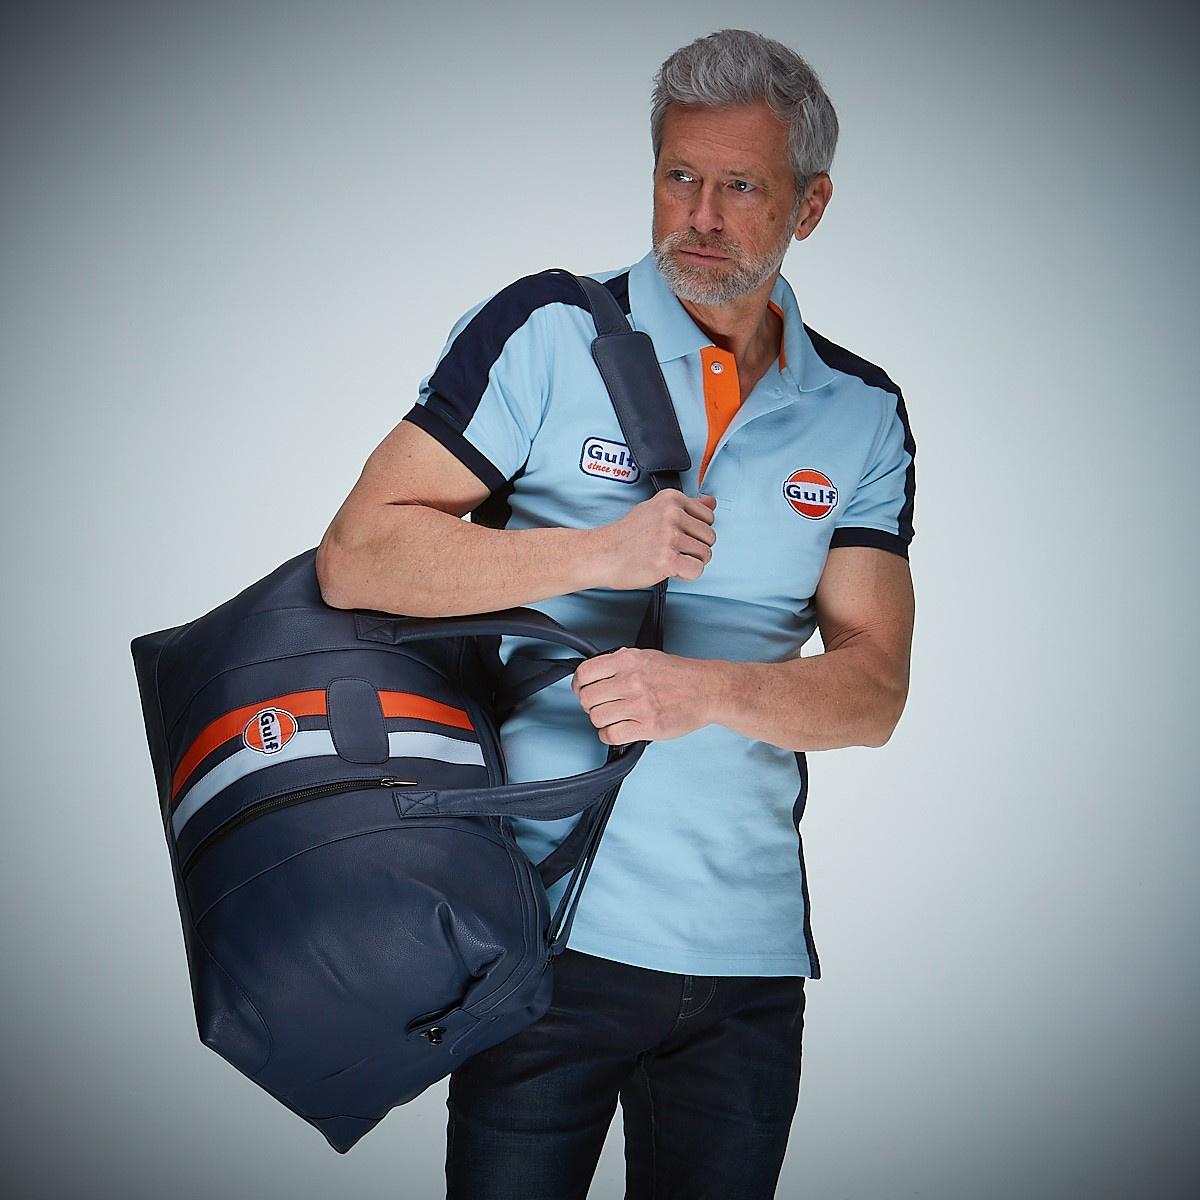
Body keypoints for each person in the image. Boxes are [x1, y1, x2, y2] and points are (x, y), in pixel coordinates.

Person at [316, 27, 916, 1200]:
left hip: (748, 968)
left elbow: (876, 690)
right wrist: (602, 550)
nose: (701, 214)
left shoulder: (861, 412)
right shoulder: (549, 332)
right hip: (546, 939)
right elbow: (358, 555)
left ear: (812, 204)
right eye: (679, 175)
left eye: (741, 186)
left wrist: (709, 692)